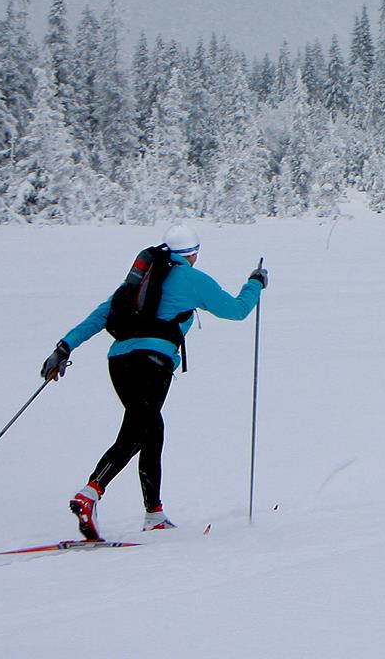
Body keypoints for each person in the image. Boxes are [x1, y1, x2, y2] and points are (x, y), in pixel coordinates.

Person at [40, 222, 267, 539]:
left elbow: (101, 315)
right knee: (136, 431)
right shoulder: (191, 278)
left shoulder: (138, 282)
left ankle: (154, 513)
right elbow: (237, 310)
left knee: (150, 429)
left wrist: (64, 347)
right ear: (193, 254)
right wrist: (255, 283)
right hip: (153, 362)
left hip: (119, 362)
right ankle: (90, 493)